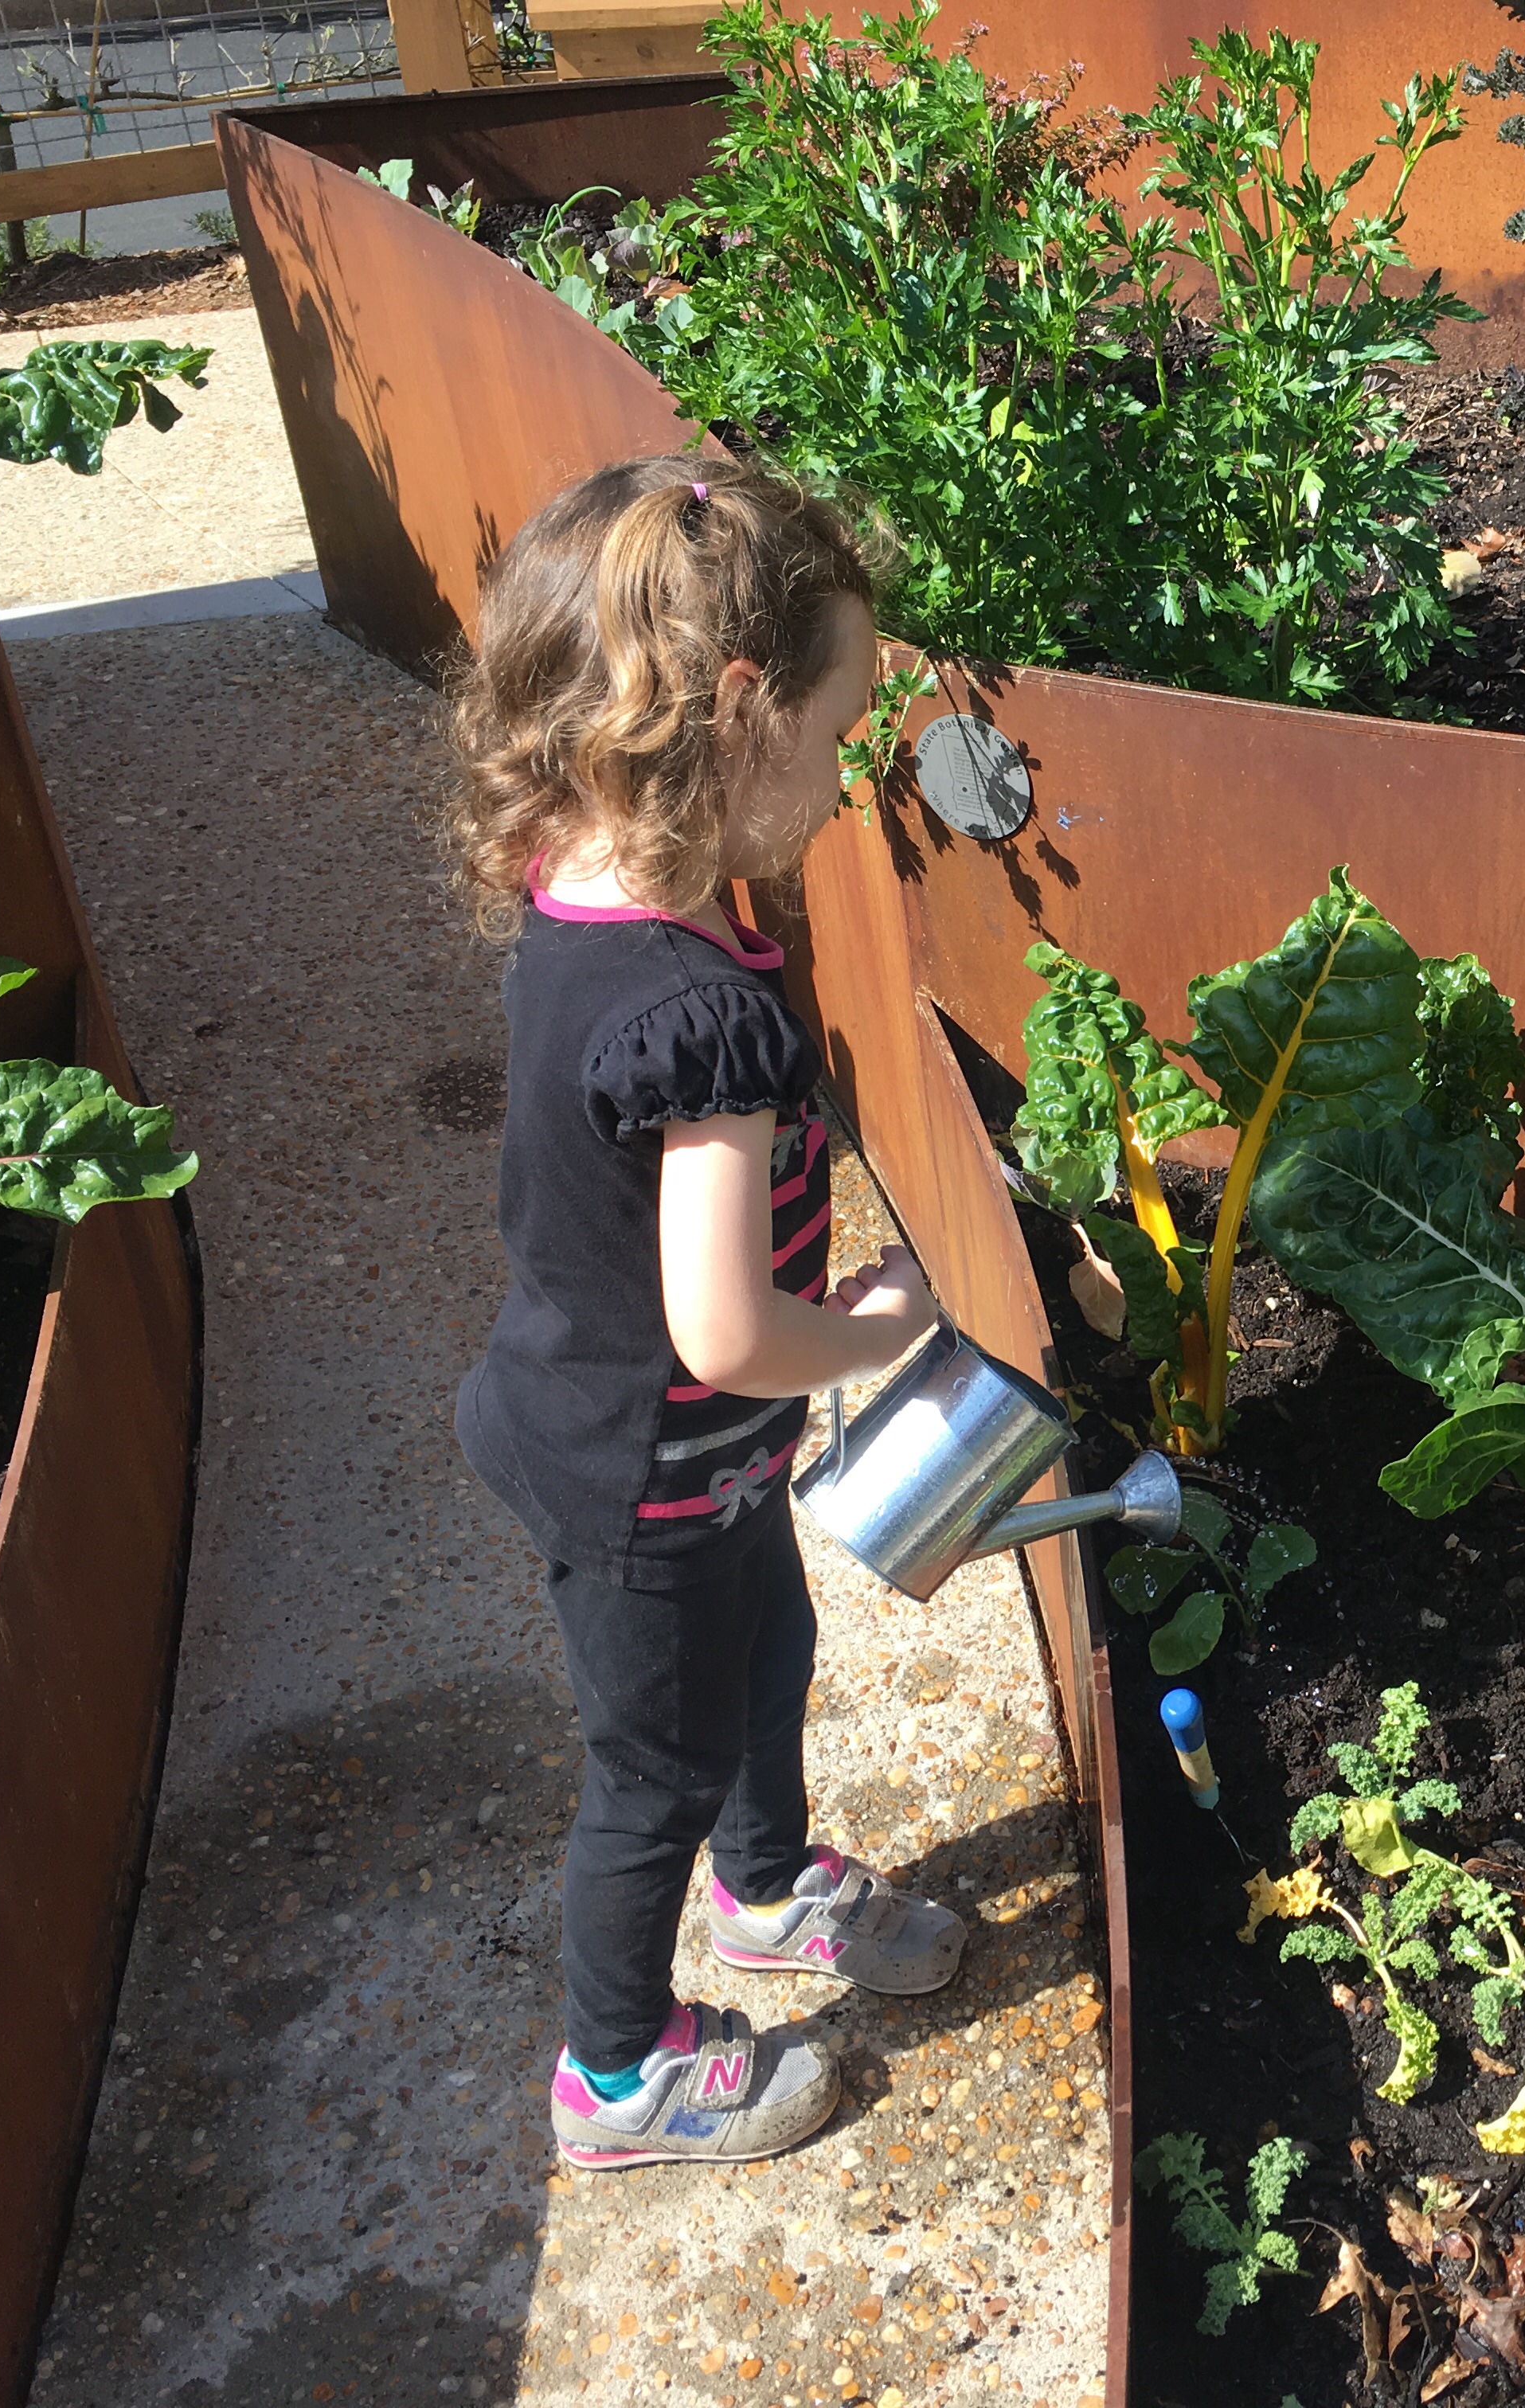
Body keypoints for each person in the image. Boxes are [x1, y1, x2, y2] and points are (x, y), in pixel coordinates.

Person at [446, 453, 957, 2169]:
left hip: (649, 1447)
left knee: (769, 1655)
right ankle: (616, 2073)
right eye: (836, 730)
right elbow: (729, 1330)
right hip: (651, 1469)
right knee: (650, 1770)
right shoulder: (703, 1027)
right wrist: (880, 1327)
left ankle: (764, 1895)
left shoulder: (581, 904)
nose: (840, 772)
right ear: (740, 713)